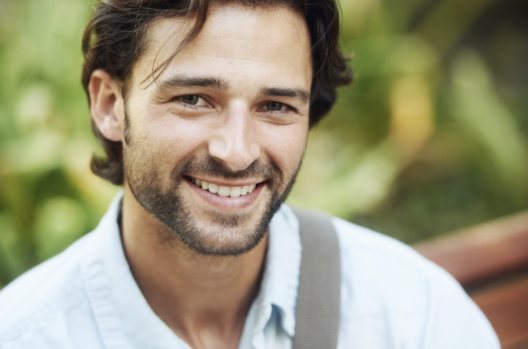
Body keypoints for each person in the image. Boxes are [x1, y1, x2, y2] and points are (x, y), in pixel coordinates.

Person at [0, 0, 500, 348]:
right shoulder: (24, 334)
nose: (237, 152)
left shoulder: (410, 313)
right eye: (194, 99)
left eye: (275, 106)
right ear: (110, 104)